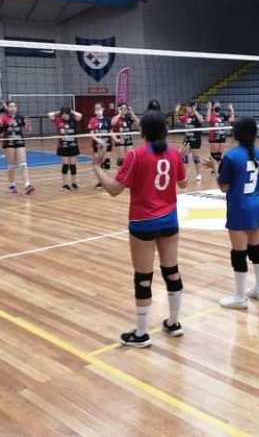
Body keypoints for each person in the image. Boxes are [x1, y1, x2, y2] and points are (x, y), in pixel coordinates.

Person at [92, 111, 189, 348]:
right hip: (169, 220)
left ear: (142, 132)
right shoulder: (174, 154)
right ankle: (174, 323)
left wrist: (96, 167)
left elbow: (114, 190)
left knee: (143, 278)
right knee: (171, 271)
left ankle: (142, 333)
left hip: (143, 221)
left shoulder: (136, 155)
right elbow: (183, 183)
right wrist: (181, 160)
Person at [206, 117, 259, 309]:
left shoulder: (231, 156)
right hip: (258, 205)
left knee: (239, 252)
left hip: (240, 206)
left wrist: (215, 169)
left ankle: (240, 297)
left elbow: (224, 187)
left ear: (236, 133)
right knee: (255, 247)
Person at [0, 101, 35, 195]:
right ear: (7, 108)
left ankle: (27, 185)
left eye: (14, 106)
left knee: (23, 164)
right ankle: (12, 185)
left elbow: (28, 130)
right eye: (10, 106)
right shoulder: (3, 117)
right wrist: (7, 124)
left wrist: (28, 125)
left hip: (19, 141)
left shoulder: (20, 117)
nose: (13, 108)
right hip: (9, 142)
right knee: (11, 165)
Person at [48, 106, 83, 191]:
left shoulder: (73, 120)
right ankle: (64, 184)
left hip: (73, 146)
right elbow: (49, 115)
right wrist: (58, 112)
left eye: (66, 114)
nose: (64, 116)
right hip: (63, 146)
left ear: (69, 114)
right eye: (63, 114)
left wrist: (72, 111)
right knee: (65, 165)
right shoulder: (58, 120)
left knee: (73, 165)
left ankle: (74, 183)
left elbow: (80, 116)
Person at [176, 101, 205, 183]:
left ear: (192, 107)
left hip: (195, 139)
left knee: (195, 157)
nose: (186, 108)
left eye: (188, 107)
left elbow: (201, 120)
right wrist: (176, 111)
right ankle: (185, 173)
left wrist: (195, 110)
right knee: (183, 155)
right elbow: (178, 120)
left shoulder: (197, 115)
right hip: (187, 139)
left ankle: (199, 174)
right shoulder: (186, 116)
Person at [88, 102, 113, 189]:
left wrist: (116, 139)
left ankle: (107, 181)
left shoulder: (108, 120)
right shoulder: (92, 120)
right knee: (98, 162)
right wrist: (98, 140)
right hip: (97, 144)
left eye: (99, 108)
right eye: (96, 109)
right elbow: (91, 134)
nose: (97, 110)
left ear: (103, 109)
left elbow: (111, 132)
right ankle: (100, 181)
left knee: (106, 161)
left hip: (107, 143)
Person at [207, 100, 234, 168]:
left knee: (219, 155)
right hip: (213, 137)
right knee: (214, 154)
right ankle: (213, 169)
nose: (219, 107)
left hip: (222, 136)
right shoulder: (211, 115)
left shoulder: (222, 114)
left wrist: (231, 110)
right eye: (217, 105)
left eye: (219, 105)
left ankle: (218, 168)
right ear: (213, 107)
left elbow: (231, 120)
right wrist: (209, 108)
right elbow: (207, 119)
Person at [112, 103, 139, 168]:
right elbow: (113, 123)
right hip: (120, 140)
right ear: (119, 109)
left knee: (129, 158)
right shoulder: (116, 117)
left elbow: (138, 123)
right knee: (121, 159)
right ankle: (119, 173)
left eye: (125, 108)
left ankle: (127, 173)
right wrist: (119, 114)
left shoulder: (128, 118)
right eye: (122, 108)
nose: (124, 109)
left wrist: (132, 113)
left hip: (128, 140)